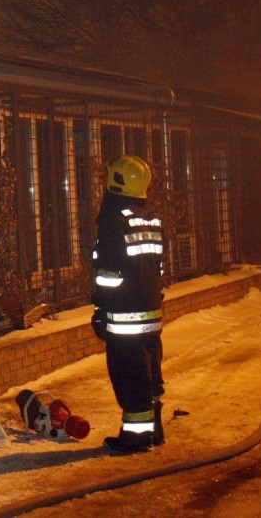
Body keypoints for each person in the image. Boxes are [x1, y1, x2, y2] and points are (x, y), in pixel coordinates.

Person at [90, 154, 166, 453]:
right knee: (149, 373)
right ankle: (154, 430)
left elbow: (110, 273)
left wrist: (101, 308)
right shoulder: (149, 220)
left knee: (130, 376)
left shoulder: (114, 223)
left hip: (124, 316)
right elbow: (156, 267)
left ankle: (136, 437)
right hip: (150, 312)